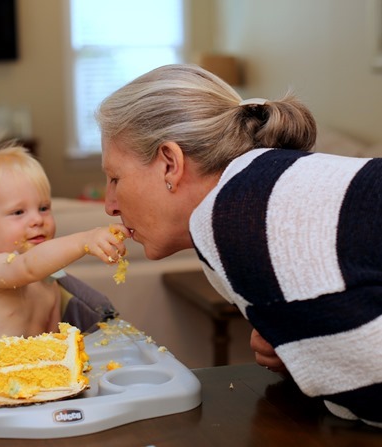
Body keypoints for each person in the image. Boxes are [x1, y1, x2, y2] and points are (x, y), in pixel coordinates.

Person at [96, 63, 382, 427]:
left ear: (170, 163)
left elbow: (370, 396)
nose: (109, 205)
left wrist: (321, 366)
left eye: (115, 178)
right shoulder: (262, 182)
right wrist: (307, 353)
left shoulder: (227, 219)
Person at [0, 137, 129, 347]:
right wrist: (84, 240)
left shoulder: (50, 279)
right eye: (18, 212)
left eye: (43, 208)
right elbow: (27, 267)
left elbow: (53, 339)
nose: (37, 220)